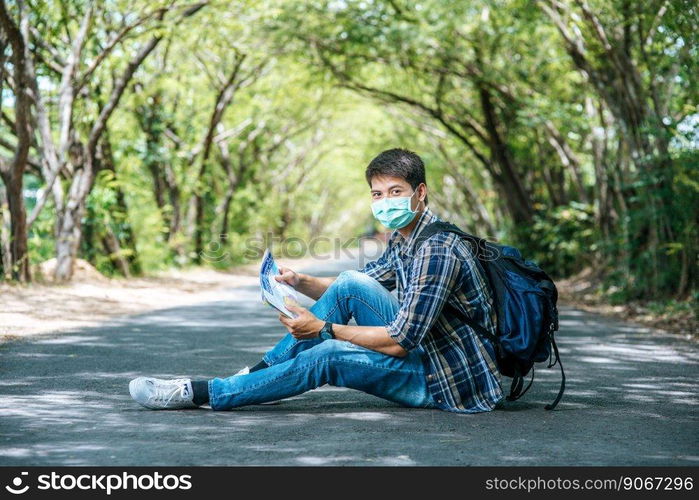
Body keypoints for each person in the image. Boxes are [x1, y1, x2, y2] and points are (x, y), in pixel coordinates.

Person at [129, 148, 503, 413]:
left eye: (395, 192)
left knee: (328, 354)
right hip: (432, 352)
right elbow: (362, 283)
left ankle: (205, 392)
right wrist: (298, 280)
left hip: (450, 381)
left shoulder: (437, 250)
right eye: (377, 194)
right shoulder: (409, 237)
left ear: (419, 193)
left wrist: (323, 329)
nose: (385, 201)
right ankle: (260, 373)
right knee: (350, 282)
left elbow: (400, 342)